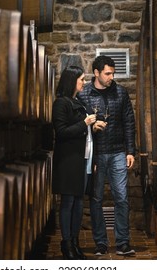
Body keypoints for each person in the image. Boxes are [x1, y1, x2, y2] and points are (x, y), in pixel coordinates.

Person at [77, 55, 136, 256]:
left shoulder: (120, 92)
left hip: (118, 151)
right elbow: (77, 124)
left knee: (121, 197)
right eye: (107, 73)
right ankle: (101, 242)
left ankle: (122, 242)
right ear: (96, 73)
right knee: (96, 199)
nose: (111, 77)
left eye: (113, 73)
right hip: (96, 155)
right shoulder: (84, 94)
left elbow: (129, 123)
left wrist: (130, 151)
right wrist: (91, 126)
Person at [52, 65, 96, 259]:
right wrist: (84, 123)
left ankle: (75, 243)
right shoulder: (61, 103)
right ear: (72, 81)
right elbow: (61, 132)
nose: (84, 83)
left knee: (79, 202)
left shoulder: (77, 101)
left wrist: (93, 127)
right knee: (68, 202)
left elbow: (81, 132)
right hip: (69, 160)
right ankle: (66, 244)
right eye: (81, 79)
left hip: (83, 159)